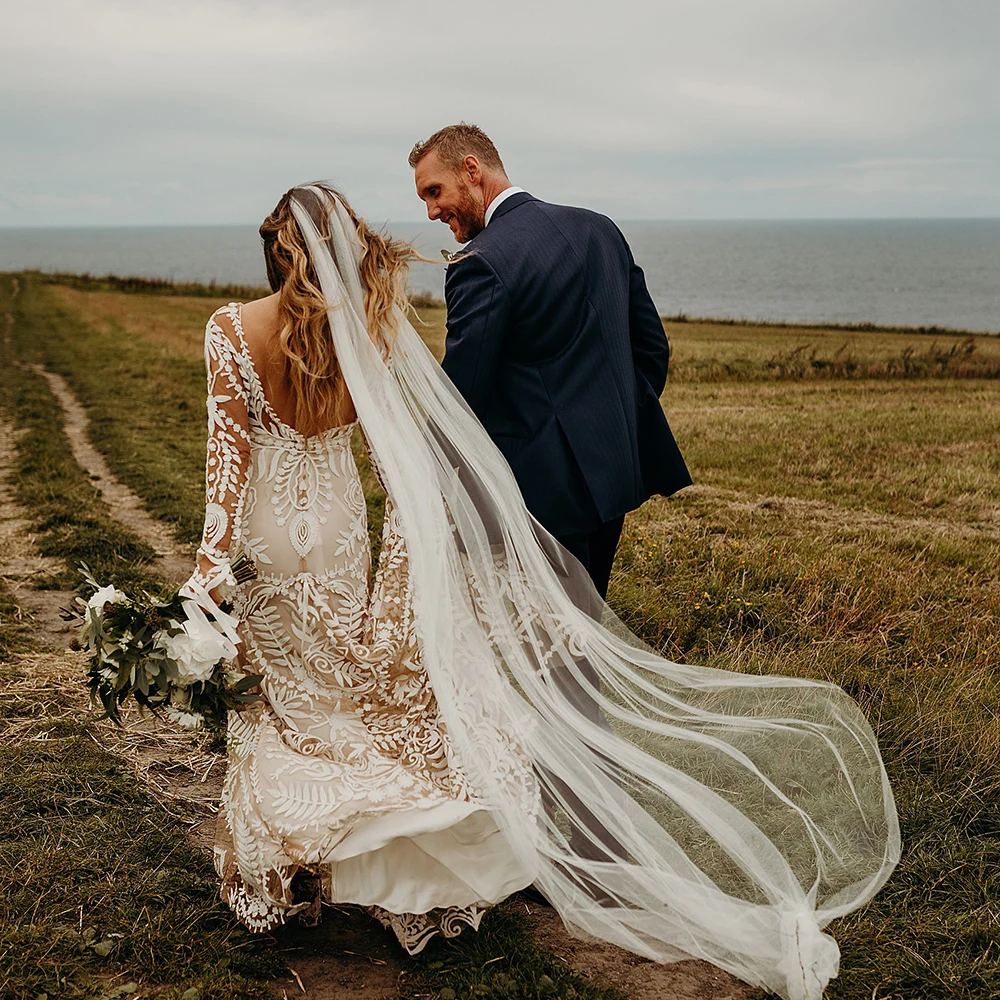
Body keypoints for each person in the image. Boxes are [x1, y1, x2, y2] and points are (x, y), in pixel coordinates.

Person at [185, 182, 899, 1000]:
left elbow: (225, 463)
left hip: (271, 531)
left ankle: (279, 872)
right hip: (346, 526)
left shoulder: (232, 329)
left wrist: (211, 566)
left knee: (279, 696)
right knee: (345, 694)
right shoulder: (374, 329)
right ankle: (378, 858)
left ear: (278, 247)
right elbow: (396, 455)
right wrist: (421, 539)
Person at [410, 123, 691, 599]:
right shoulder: (599, 228)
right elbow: (651, 349)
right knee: (586, 628)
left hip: (540, 492)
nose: (433, 210)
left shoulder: (479, 261)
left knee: (552, 643)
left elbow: (462, 399)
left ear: (472, 170)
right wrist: (614, 421)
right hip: (614, 474)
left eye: (435, 192)